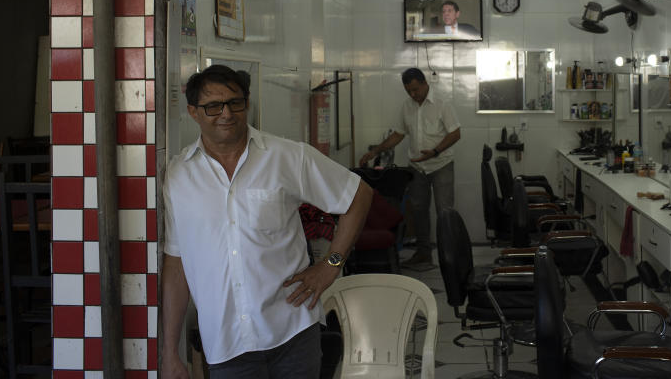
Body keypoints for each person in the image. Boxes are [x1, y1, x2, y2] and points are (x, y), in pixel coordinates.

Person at [161, 64, 373, 379]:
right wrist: (169, 352)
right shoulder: (178, 177)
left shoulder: (286, 156)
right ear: (193, 112)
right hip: (226, 345)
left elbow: (359, 195)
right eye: (213, 106)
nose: (226, 113)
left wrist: (331, 264)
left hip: (292, 333)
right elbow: (176, 267)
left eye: (235, 102)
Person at [358, 68, 461, 268]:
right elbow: (398, 134)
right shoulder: (407, 106)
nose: (413, 95)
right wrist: (375, 151)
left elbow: (455, 133)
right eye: (409, 91)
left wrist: (436, 151)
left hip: (441, 164)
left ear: (424, 83)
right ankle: (424, 253)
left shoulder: (442, 103)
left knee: (445, 212)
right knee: (419, 211)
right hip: (417, 167)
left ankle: (451, 255)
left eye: (415, 90)